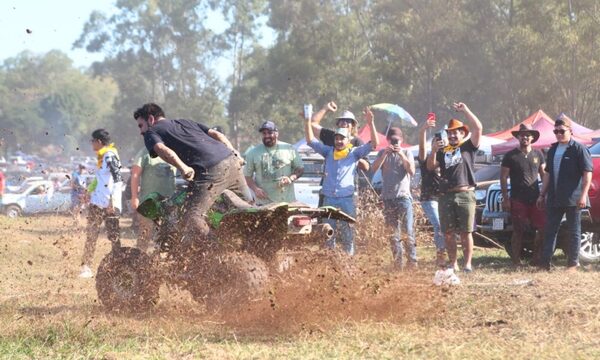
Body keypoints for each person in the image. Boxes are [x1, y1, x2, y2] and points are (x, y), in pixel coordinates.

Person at [133, 103, 252, 245]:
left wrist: (183, 167)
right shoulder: (185, 122)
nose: (141, 131)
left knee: (191, 216)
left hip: (211, 170)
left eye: (141, 125)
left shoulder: (152, 132)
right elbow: (216, 134)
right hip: (232, 162)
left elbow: (161, 149)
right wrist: (235, 153)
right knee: (248, 210)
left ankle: (219, 254)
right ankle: (256, 246)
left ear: (151, 119)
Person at [305, 106, 379, 255]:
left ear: (348, 139)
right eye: (337, 138)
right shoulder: (328, 151)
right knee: (327, 232)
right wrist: (307, 120)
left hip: (346, 198)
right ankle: (329, 261)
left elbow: (374, 144)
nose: (339, 141)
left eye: (342, 138)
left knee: (348, 233)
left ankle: (348, 261)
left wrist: (371, 123)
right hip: (329, 198)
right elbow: (310, 140)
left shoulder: (354, 152)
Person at [427, 102, 483, 273]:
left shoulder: (468, 147)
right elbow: (430, 167)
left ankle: (467, 263)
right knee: (448, 233)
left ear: (462, 134)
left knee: (466, 232)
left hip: (465, 193)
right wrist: (434, 150)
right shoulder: (443, 150)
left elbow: (478, 128)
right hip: (446, 195)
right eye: (449, 133)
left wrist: (465, 110)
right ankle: (453, 263)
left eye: (455, 133)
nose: (452, 136)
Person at [537, 115, 593, 272]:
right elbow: (547, 173)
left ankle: (572, 264)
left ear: (570, 131)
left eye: (562, 131)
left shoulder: (579, 149)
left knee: (574, 230)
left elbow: (587, 173)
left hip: (574, 198)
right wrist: (542, 194)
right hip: (554, 197)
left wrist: (583, 195)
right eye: (556, 131)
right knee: (550, 229)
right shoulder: (553, 149)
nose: (559, 134)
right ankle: (544, 263)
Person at [500, 124, 546, 266]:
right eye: (522, 135)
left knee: (542, 229)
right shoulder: (510, 156)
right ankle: (516, 261)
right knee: (518, 231)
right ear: (518, 137)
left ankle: (536, 258)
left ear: (532, 138)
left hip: (535, 199)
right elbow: (503, 178)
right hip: (517, 199)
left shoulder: (538, 154)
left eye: (528, 135)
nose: (525, 137)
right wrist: (506, 199)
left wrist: (544, 195)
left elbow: (544, 175)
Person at [80, 129, 123, 278]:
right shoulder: (101, 157)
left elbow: (118, 179)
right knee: (91, 235)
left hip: (109, 203)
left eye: (92, 141)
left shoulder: (110, 156)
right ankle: (86, 267)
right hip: (97, 203)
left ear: (99, 141)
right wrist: (88, 190)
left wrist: (114, 201)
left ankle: (119, 266)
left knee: (114, 236)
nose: (91, 144)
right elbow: (99, 178)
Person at [372, 127, 416, 269]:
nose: (395, 142)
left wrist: (401, 155)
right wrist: (385, 153)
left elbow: (412, 171)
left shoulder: (407, 152)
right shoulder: (382, 153)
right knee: (393, 233)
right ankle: (398, 262)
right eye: (392, 140)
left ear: (402, 140)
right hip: (388, 198)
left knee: (407, 231)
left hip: (403, 197)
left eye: (397, 140)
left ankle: (412, 261)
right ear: (388, 140)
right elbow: (373, 168)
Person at [311, 101, 370, 204]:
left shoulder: (357, 142)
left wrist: (352, 155)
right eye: (341, 120)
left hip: (347, 191)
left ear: (353, 125)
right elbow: (312, 125)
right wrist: (325, 108)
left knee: (347, 219)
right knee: (324, 218)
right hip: (328, 189)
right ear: (337, 124)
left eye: (348, 121)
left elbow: (366, 167)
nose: (344, 122)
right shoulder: (330, 136)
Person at [244, 121, 304, 205]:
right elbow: (247, 176)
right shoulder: (253, 153)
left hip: (286, 202)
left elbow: (300, 168)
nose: (267, 136)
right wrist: (255, 189)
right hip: (263, 203)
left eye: (270, 133)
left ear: (276, 134)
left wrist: (290, 178)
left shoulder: (289, 149)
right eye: (264, 133)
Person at [130, 146, 177, 252]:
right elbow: (135, 174)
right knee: (145, 232)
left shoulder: (174, 150)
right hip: (149, 200)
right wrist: (134, 197)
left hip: (169, 201)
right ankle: (140, 259)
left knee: (167, 234)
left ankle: (157, 262)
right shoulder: (145, 151)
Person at [418, 118, 447, 267]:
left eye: (441, 141)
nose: (439, 143)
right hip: (429, 198)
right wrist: (423, 130)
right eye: (436, 141)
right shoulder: (427, 157)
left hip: (443, 198)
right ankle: (441, 255)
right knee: (439, 225)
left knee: (445, 226)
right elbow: (422, 148)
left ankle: (445, 254)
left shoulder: (447, 157)